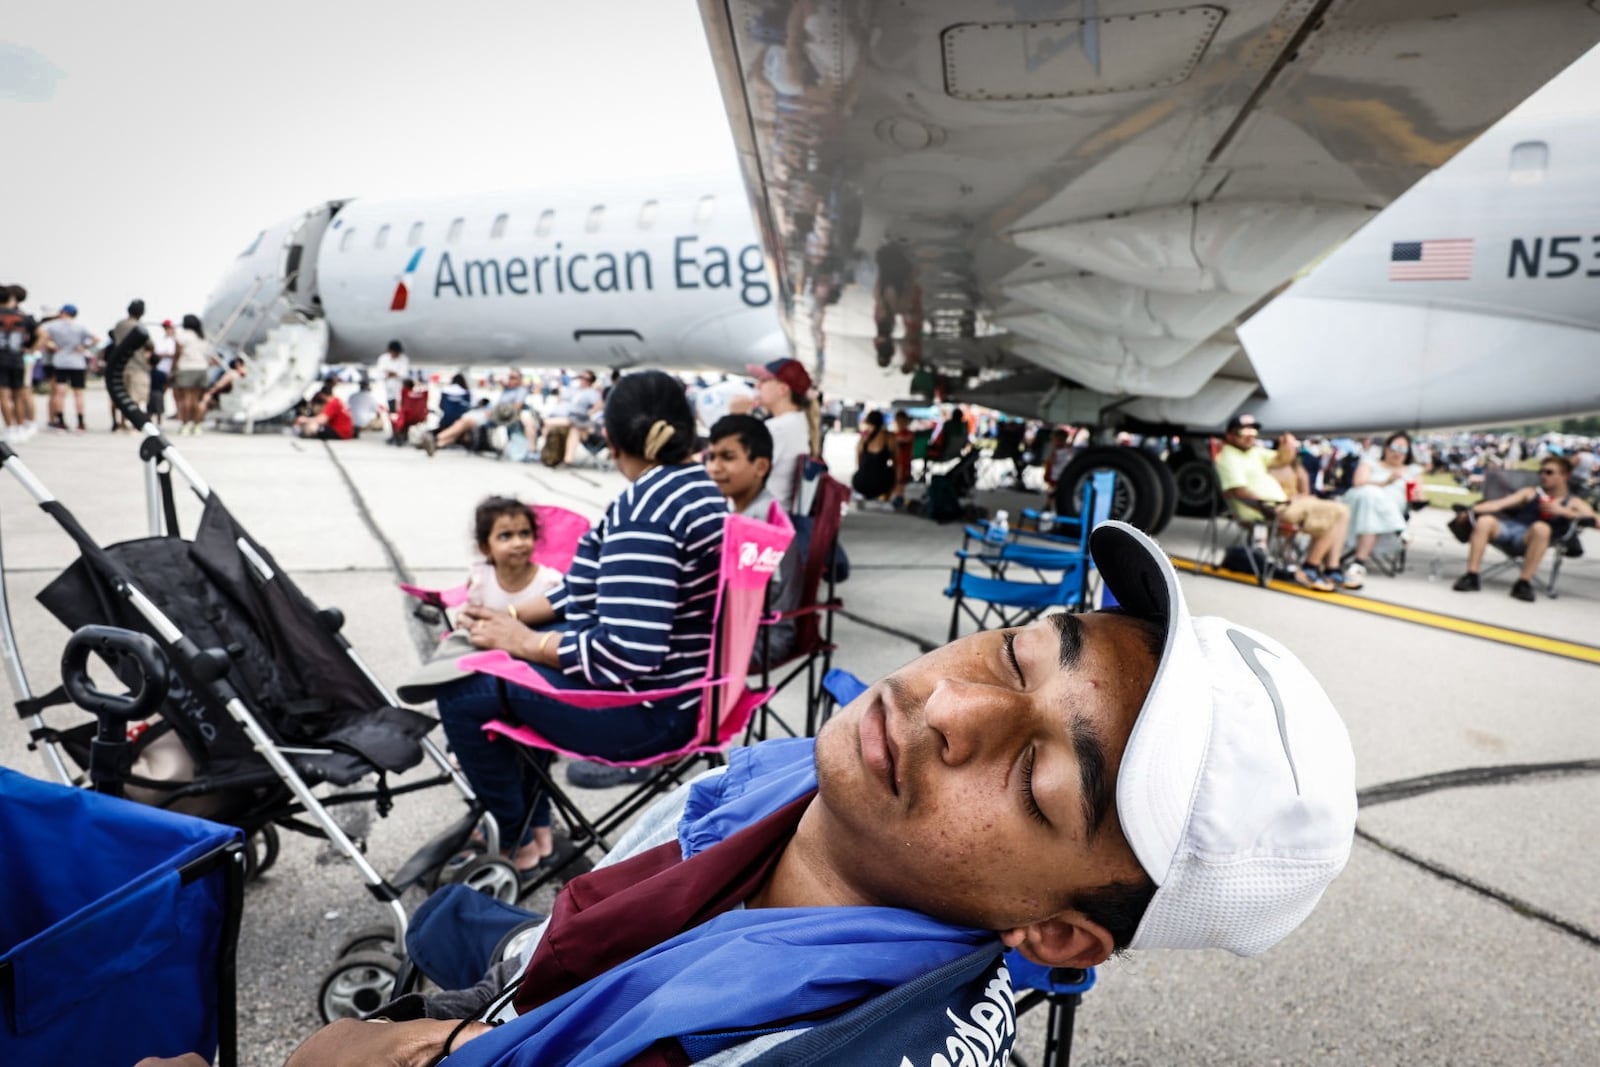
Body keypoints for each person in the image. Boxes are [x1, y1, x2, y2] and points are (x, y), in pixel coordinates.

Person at [280, 521, 1356, 1067]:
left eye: (1035, 774)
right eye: (1019, 654)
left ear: (1059, 936)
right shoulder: (785, 787)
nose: (951, 708)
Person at [426, 369, 729, 867]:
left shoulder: (647, 511)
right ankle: (533, 825)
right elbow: (578, 588)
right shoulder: (697, 488)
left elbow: (627, 652)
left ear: (609, 437)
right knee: (495, 655)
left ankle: (515, 835)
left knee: (461, 689)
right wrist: (506, 618)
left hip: (651, 712)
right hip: (689, 692)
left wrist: (525, 643)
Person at [1214, 413, 1360, 591]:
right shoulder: (1228, 457)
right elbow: (1237, 490)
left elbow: (1283, 459)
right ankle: (1310, 568)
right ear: (1230, 435)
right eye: (1243, 431)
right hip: (1268, 508)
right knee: (1335, 512)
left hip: (1283, 504)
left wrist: (1288, 444)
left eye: (1253, 430)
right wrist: (1267, 506)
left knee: (1342, 511)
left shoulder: (1254, 452)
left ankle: (1332, 568)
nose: (1250, 434)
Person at [705, 413, 800, 665]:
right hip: (745, 627)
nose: (714, 467)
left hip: (763, 636)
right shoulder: (744, 512)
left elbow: (756, 597)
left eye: (728, 457)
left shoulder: (760, 524)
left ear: (760, 467)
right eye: (711, 457)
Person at [1451, 455, 1596, 601]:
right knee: (1485, 521)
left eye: (1549, 472)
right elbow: (1498, 504)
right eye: (1542, 472)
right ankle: (1471, 576)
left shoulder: (1573, 502)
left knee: (1541, 528)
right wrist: (1470, 510)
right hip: (1513, 530)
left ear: (1565, 475)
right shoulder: (1531, 492)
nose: (1543, 476)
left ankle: (1523, 583)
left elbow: (1595, 520)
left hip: (1536, 538)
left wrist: (1563, 511)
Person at [1341, 432, 1418, 580]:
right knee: (1370, 493)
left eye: (1403, 449)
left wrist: (1415, 494)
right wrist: (1385, 483)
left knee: (1371, 506)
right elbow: (1358, 483)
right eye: (1394, 447)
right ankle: (1399, 529)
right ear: (1386, 447)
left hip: (1384, 511)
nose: (1397, 452)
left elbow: (1415, 497)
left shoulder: (1411, 471)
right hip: (1357, 505)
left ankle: (1359, 562)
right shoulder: (1370, 462)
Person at [747, 357, 819, 511]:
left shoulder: (777, 428)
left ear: (783, 389)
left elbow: (742, 474)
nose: (757, 386)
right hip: (779, 515)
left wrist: (737, 417)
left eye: (764, 380)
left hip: (761, 518)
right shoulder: (799, 422)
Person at [422, 368, 530, 455]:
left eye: (513, 377)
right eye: (509, 377)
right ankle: (437, 444)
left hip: (497, 416)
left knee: (464, 422)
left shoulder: (521, 390)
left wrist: (494, 412)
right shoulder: (508, 389)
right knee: (461, 426)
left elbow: (515, 407)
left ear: (520, 379)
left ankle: (436, 438)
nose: (510, 380)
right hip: (490, 413)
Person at [39, 303, 96, 432]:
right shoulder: (80, 327)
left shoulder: (53, 326)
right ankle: (80, 422)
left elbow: (42, 337)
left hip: (60, 362)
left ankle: (61, 421)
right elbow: (96, 339)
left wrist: (52, 345)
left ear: (63, 312)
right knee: (79, 394)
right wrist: (84, 347)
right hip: (77, 363)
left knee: (60, 393)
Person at [540, 368, 604, 465]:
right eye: (581, 377)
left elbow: (598, 406)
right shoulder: (572, 389)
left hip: (578, 418)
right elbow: (560, 399)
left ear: (591, 381)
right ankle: (550, 455)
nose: (582, 380)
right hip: (560, 417)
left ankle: (545, 421)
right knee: (553, 429)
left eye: (586, 378)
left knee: (573, 424)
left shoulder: (592, 393)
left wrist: (589, 413)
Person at [107, 299, 153, 431]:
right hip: (137, 366)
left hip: (118, 366)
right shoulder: (139, 327)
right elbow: (149, 344)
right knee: (135, 397)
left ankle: (120, 423)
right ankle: (132, 423)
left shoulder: (119, 325)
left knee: (119, 396)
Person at [0, 284, 37, 441]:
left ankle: (10, 428)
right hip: (17, 359)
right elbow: (41, 334)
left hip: (1, 360)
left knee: (4, 397)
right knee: (19, 396)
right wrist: (30, 348)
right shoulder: (23, 317)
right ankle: (21, 427)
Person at [171, 314, 214, 435]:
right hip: (201, 369)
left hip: (186, 369)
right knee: (197, 400)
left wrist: (173, 369)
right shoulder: (202, 337)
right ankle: (197, 425)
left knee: (185, 399)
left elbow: (177, 354)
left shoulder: (182, 336)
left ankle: (185, 425)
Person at [851, 409, 896, 505]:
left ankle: (862, 494)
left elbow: (859, 463)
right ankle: (886, 499)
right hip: (881, 483)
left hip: (861, 483)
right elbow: (896, 462)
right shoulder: (889, 437)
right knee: (891, 472)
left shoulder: (864, 438)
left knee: (862, 472)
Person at [148, 320, 177, 424]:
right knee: (160, 394)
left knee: (174, 393)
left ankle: (176, 412)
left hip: (170, 370)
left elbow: (174, 355)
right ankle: (154, 415)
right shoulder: (162, 341)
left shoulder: (175, 341)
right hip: (161, 370)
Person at [374, 339, 409, 412]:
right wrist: (394, 374)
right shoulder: (383, 358)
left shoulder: (403, 359)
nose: (395, 354)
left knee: (401, 410)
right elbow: (379, 374)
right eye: (393, 352)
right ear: (389, 351)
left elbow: (404, 374)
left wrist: (393, 374)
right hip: (386, 390)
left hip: (399, 390)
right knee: (389, 409)